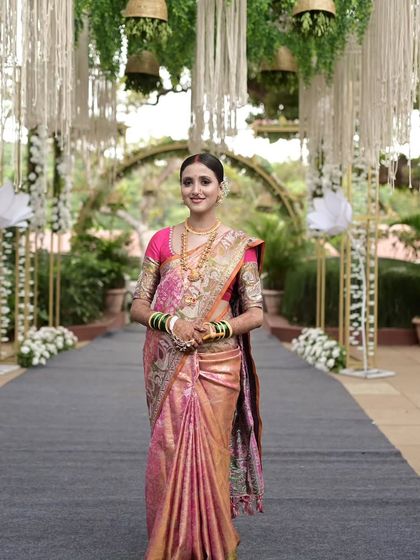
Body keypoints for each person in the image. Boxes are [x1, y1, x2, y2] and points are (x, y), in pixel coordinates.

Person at [130, 153, 265, 560]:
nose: (196, 189)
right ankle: (169, 542)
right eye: (188, 181)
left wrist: (216, 330)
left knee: (211, 451)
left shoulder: (240, 247)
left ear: (221, 189)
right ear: (181, 189)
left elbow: (255, 313)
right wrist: (172, 323)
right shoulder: (161, 240)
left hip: (218, 365)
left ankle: (213, 542)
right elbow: (138, 306)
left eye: (205, 181)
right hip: (170, 361)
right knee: (169, 450)